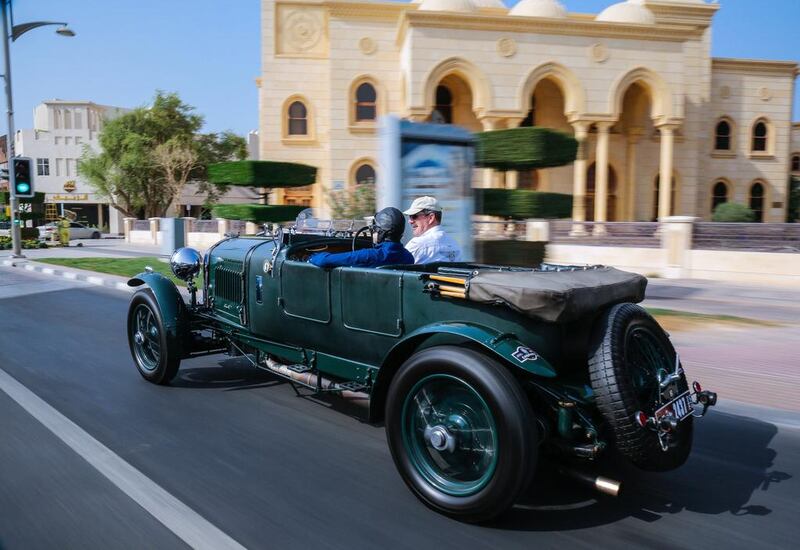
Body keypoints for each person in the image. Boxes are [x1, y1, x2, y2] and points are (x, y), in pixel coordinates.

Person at [309, 207, 414, 268]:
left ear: (381, 233)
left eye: (375, 229)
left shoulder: (368, 255)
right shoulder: (409, 257)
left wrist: (310, 257)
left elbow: (325, 260)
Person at [403, 196, 462, 264]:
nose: (410, 221)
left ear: (431, 218)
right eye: (410, 217)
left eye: (414, 216)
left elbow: (398, 270)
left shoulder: (417, 244)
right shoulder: (454, 244)